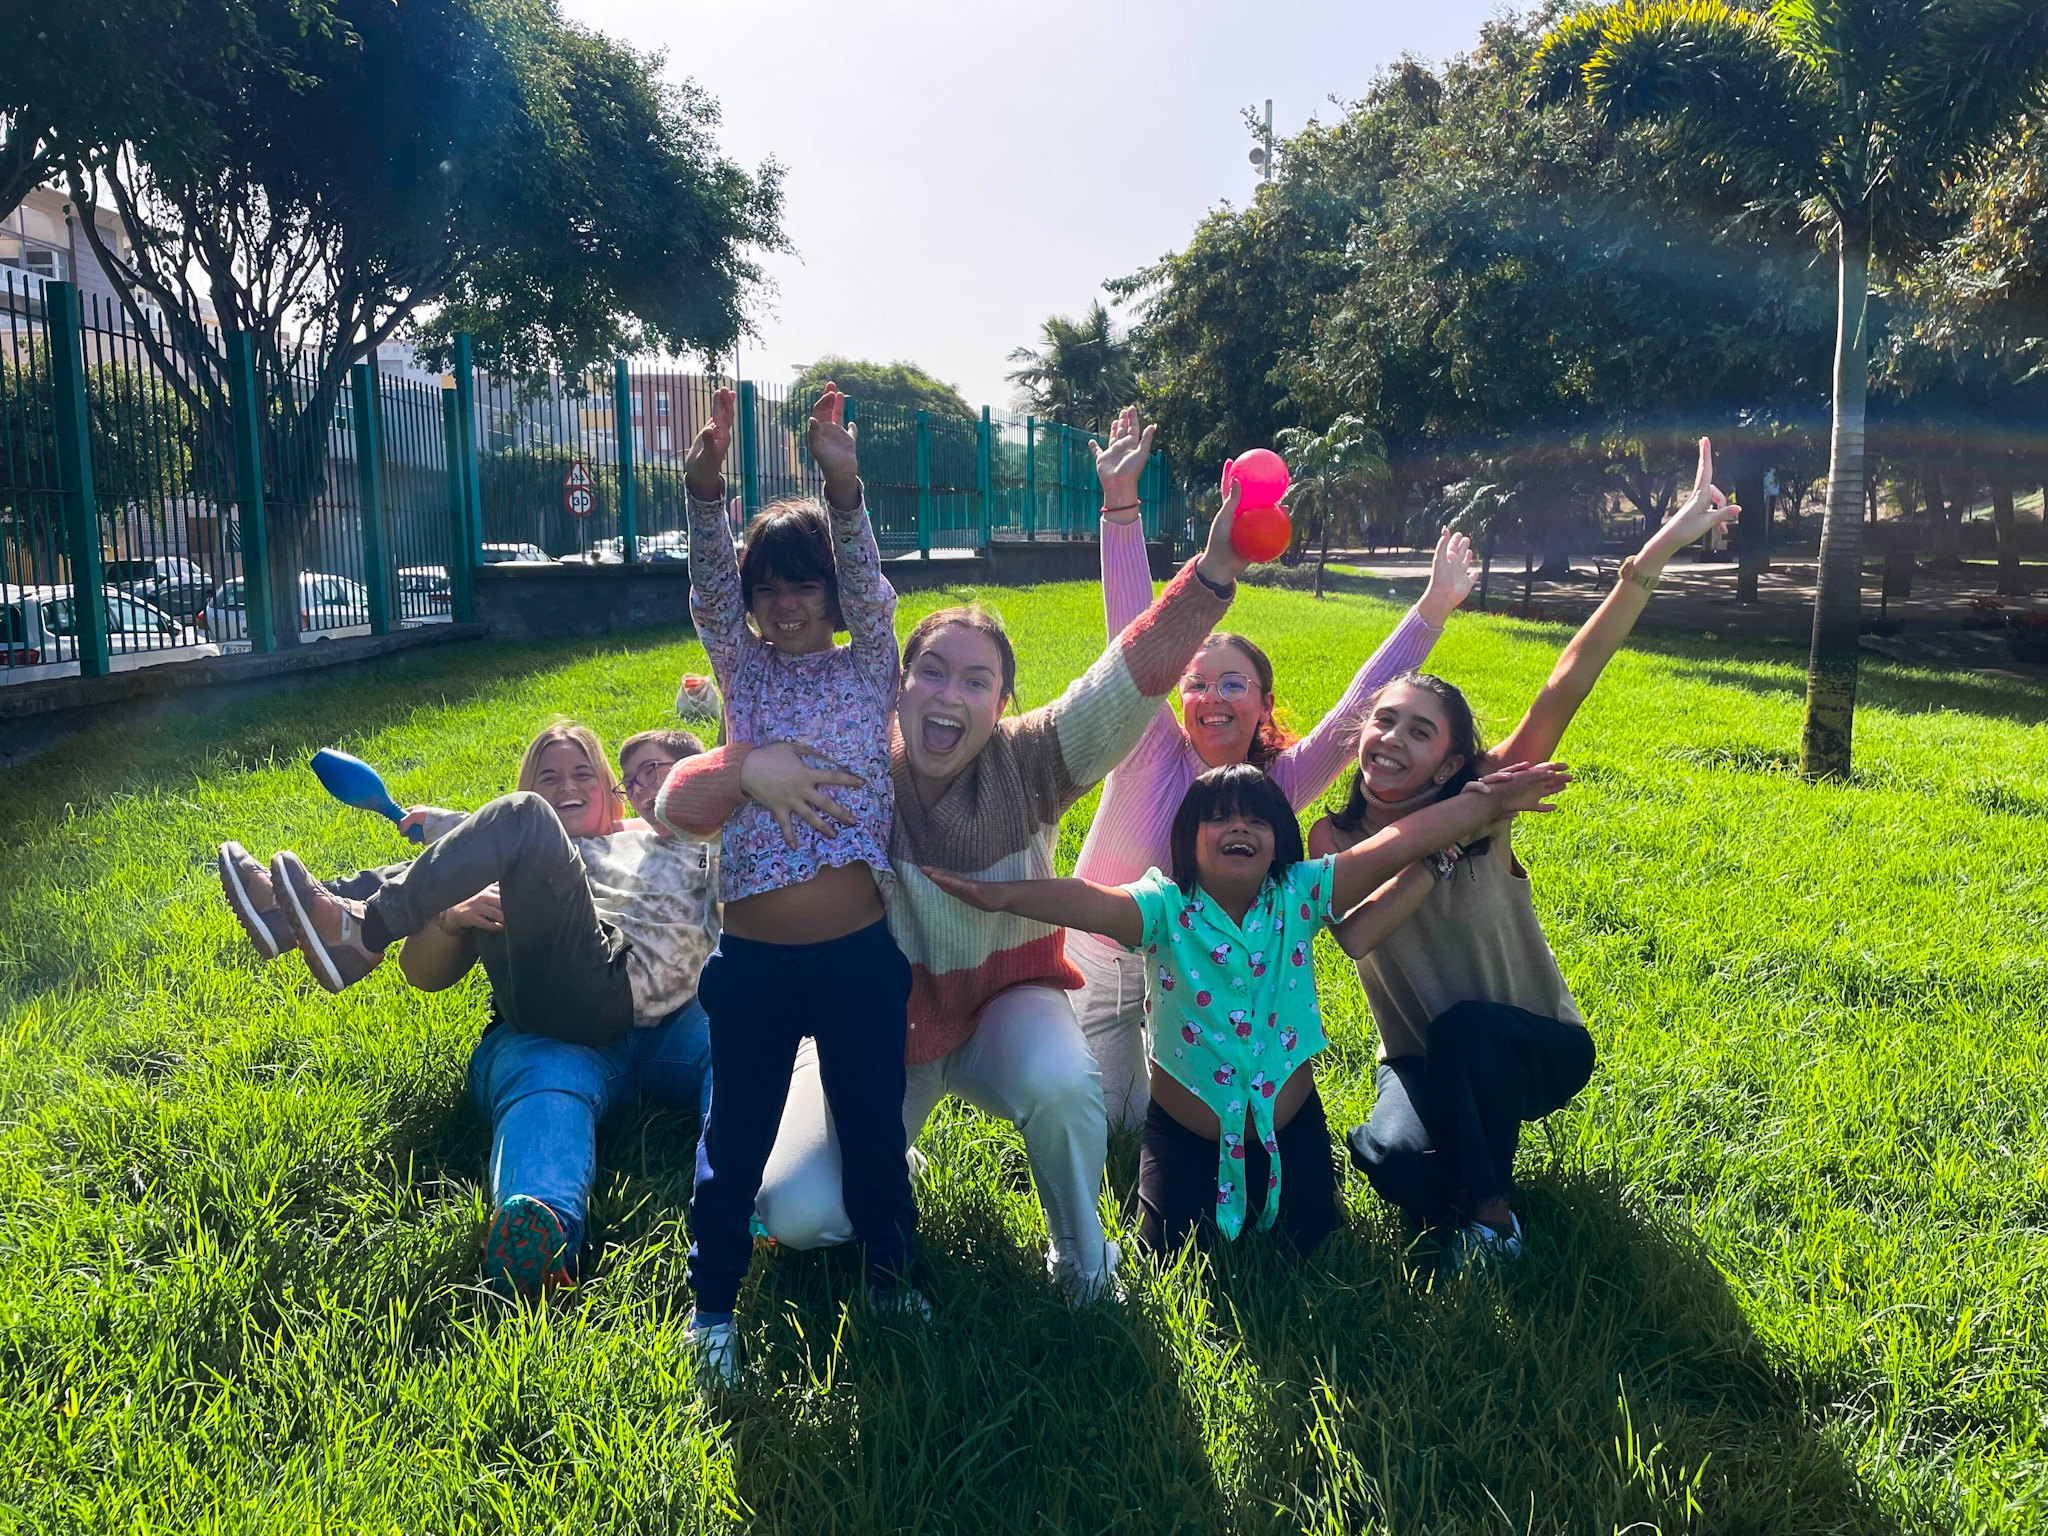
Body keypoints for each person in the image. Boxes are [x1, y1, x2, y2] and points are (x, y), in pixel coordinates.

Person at [653, 410, 1259, 1307]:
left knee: (1060, 1086)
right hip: (879, 1025)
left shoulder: (1029, 758)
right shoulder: (856, 753)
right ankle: (883, 1158)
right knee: (797, 1214)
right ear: (895, 684)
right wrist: (735, 765)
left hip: (993, 1005)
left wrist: (1214, 572)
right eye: (932, 671)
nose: (950, 694)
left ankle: (1085, 1264)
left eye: (977, 681)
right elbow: (690, 776)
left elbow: (1126, 678)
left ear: (1004, 700)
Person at [1313, 437, 1738, 1269]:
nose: (1393, 740)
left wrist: (1661, 547)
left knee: (1473, 1032)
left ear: (1451, 757)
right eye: (1384, 721)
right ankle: (1462, 1165)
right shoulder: (1332, 840)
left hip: (1534, 1042)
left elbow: (1571, 675)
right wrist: (1445, 847)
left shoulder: (1488, 790)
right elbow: (1355, 934)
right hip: (1416, 1056)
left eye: (1421, 732)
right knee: (1393, 1165)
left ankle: (1494, 1223)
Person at [919, 758, 1570, 1254]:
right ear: (1188, 841)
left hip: (1290, 1134)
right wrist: (1002, 897)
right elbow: (1085, 900)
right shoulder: (1163, 909)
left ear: (1279, 841)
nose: (1239, 827)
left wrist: (1481, 804)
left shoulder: (1301, 896)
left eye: (1257, 818)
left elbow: (1397, 843)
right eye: (1220, 817)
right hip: (1183, 1141)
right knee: (1170, 1251)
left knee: (1312, 1245)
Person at [215, 722, 721, 1300]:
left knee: (742, 1041)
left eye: (586, 775)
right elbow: (430, 958)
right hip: (563, 1014)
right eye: (548, 777)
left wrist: (447, 823)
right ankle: (541, 1231)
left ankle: (752, 1193)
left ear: (612, 794)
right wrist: (451, 912)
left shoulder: (685, 843)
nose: (566, 788)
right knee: (546, 1083)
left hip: (675, 1015)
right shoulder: (525, 855)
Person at [1072, 435, 1481, 1130]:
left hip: (1189, 976)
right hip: (1100, 964)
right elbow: (1135, 639)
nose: (1211, 696)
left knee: (1207, 1109)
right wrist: (1121, 509)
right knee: (1110, 1122)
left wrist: (1432, 610)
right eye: (1196, 684)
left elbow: (1357, 708)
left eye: (1233, 683)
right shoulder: (1147, 748)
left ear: (1263, 703)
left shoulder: (1272, 786)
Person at [677, 382, 918, 1385]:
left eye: (801, 586)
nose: (784, 606)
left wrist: (843, 486)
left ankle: (893, 1276)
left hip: (858, 957)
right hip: (754, 963)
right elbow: (703, 587)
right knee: (733, 1134)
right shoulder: (741, 670)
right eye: (766, 589)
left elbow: (870, 590)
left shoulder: (867, 669)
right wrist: (703, 494)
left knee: (872, 1123)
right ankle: (714, 1308)